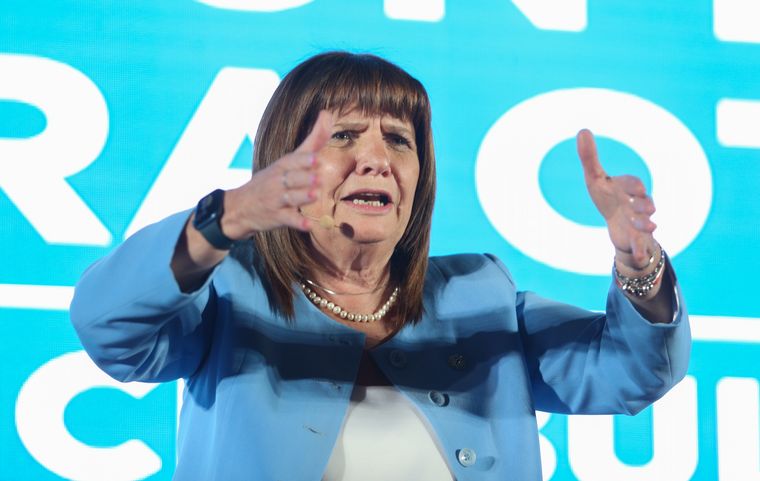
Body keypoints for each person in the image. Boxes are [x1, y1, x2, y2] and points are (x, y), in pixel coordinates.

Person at [70, 51, 690, 481]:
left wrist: (637, 263)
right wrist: (225, 218)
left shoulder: (480, 293)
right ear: (285, 157)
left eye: (398, 139)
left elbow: (631, 371)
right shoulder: (230, 292)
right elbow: (108, 326)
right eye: (343, 136)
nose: (377, 160)